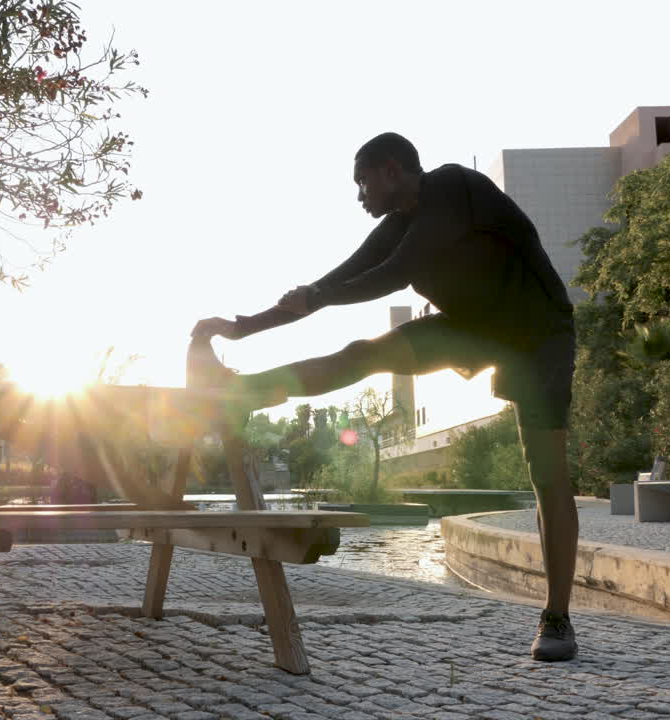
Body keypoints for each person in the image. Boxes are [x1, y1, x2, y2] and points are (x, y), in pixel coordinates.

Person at [190, 132, 580, 661]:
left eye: (362, 181)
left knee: (546, 474)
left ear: (392, 170)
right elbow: (332, 285)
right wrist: (238, 328)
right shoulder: (397, 226)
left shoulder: (452, 188)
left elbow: (392, 276)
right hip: (471, 327)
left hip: (539, 337)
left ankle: (556, 617)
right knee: (362, 353)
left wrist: (320, 294)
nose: (359, 196)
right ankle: (239, 393)